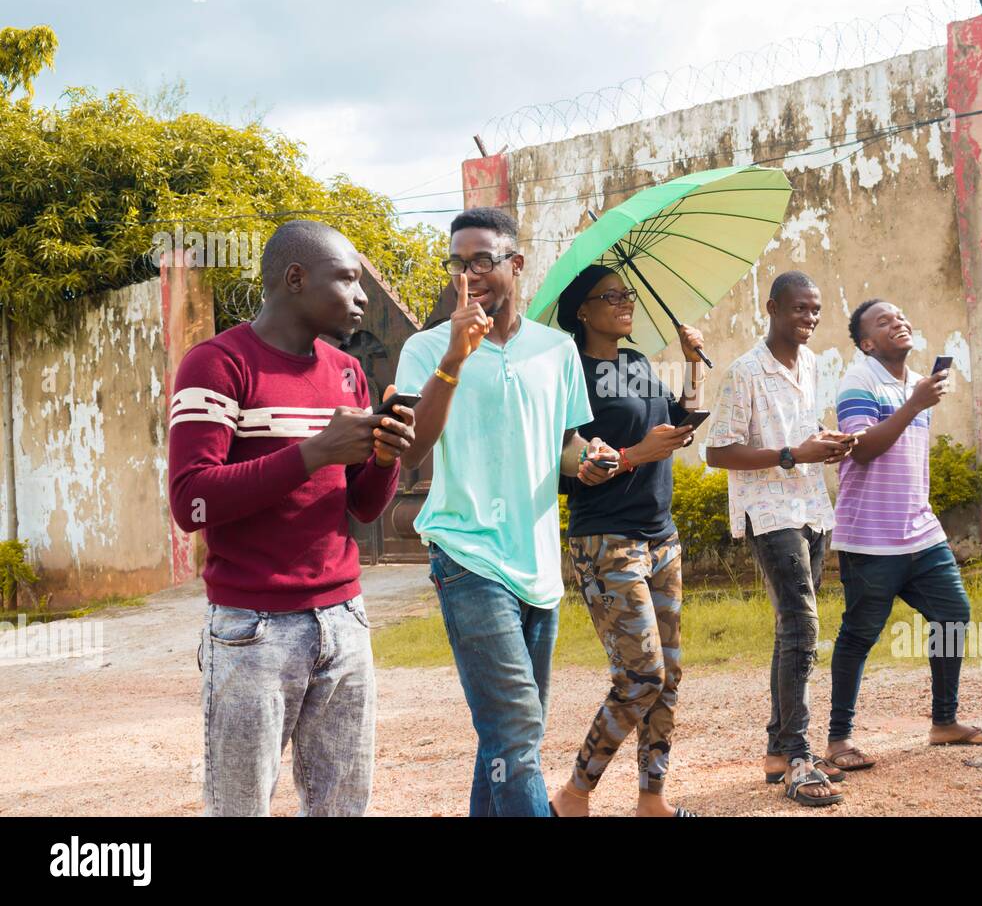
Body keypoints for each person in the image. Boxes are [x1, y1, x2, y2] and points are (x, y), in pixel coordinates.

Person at [168, 219, 416, 816]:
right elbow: (191, 500)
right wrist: (314, 453)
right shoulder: (217, 365)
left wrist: (384, 457)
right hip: (252, 628)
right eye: (348, 280)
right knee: (240, 807)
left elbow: (360, 505)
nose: (361, 297)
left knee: (342, 807)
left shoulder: (348, 372)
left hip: (345, 620)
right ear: (296, 278)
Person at [394, 208, 616, 817]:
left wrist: (588, 458)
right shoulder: (425, 348)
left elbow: (564, 445)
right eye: (459, 263)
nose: (470, 274)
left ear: (516, 265)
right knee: (517, 728)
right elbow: (412, 449)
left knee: (507, 735)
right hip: (467, 555)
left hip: (539, 565)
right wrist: (455, 358)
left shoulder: (558, 349)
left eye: (484, 261)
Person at [548, 265, 705, 818]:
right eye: (610, 296)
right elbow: (576, 465)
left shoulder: (637, 364)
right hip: (607, 540)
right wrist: (639, 454)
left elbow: (678, 420)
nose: (624, 302)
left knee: (669, 676)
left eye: (628, 293)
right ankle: (573, 794)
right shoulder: (572, 374)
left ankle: (651, 800)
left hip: (661, 536)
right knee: (641, 676)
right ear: (582, 311)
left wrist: (692, 364)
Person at [823, 299, 982, 776]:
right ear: (867, 342)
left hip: (920, 530)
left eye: (901, 316)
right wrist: (914, 404)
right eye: (883, 321)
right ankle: (838, 739)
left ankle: (944, 722)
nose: (898, 322)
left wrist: (915, 399)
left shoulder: (914, 383)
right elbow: (861, 451)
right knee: (859, 636)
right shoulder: (858, 381)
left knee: (953, 614)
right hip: (870, 537)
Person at [704, 270, 855, 808]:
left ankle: (776, 748)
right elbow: (717, 453)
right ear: (771, 308)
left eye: (814, 310)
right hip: (769, 513)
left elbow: (802, 436)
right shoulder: (746, 371)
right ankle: (797, 755)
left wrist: (826, 446)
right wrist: (793, 453)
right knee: (802, 625)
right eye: (798, 309)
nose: (809, 319)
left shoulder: (813, 364)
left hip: (812, 507)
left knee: (791, 629)